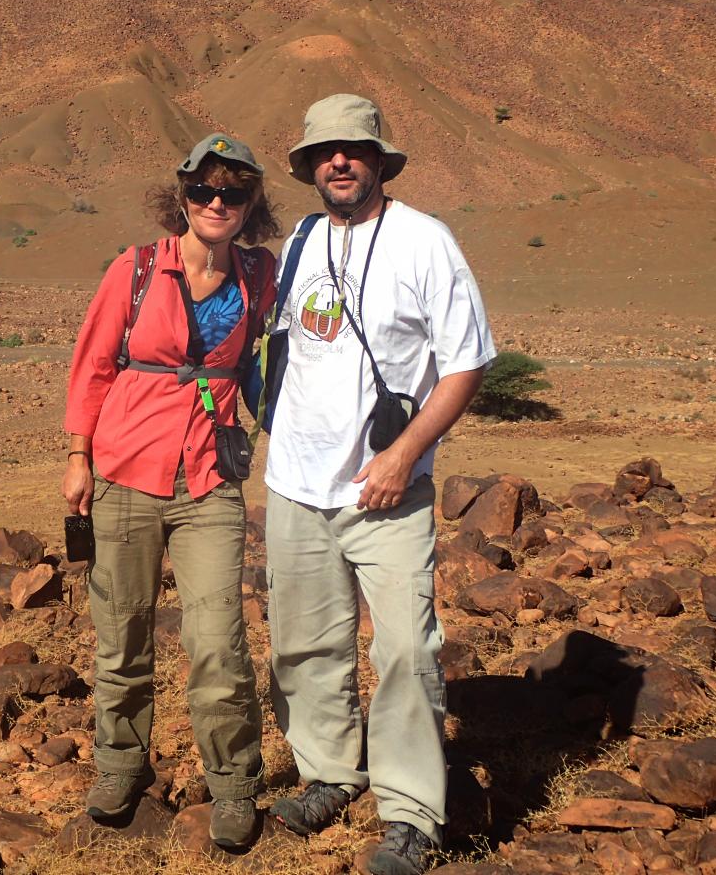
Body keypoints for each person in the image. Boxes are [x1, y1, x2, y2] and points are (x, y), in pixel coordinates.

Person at [263, 95, 495, 875]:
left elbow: (465, 364)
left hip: (386, 489)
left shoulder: (425, 242)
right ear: (309, 165)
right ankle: (328, 774)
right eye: (325, 150)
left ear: (378, 160)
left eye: (354, 150)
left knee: (403, 652)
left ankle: (410, 814)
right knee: (305, 646)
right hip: (296, 482)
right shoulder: (299, 241)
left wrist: (405, 455)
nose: (339, 161)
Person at [63, 133, 280, 850]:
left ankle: (233, 784)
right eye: (203, 191)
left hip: (209, 477)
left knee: (218, 639)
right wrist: (77, 458)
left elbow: (273, 359)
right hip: (125, 471)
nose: (217, 203)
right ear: (181, 196)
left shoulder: (260, 275)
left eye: (233, 192)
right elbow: (93, 363)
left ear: (252, 204)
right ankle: (121, 764)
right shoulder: (135, 270)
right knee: (122, 634)